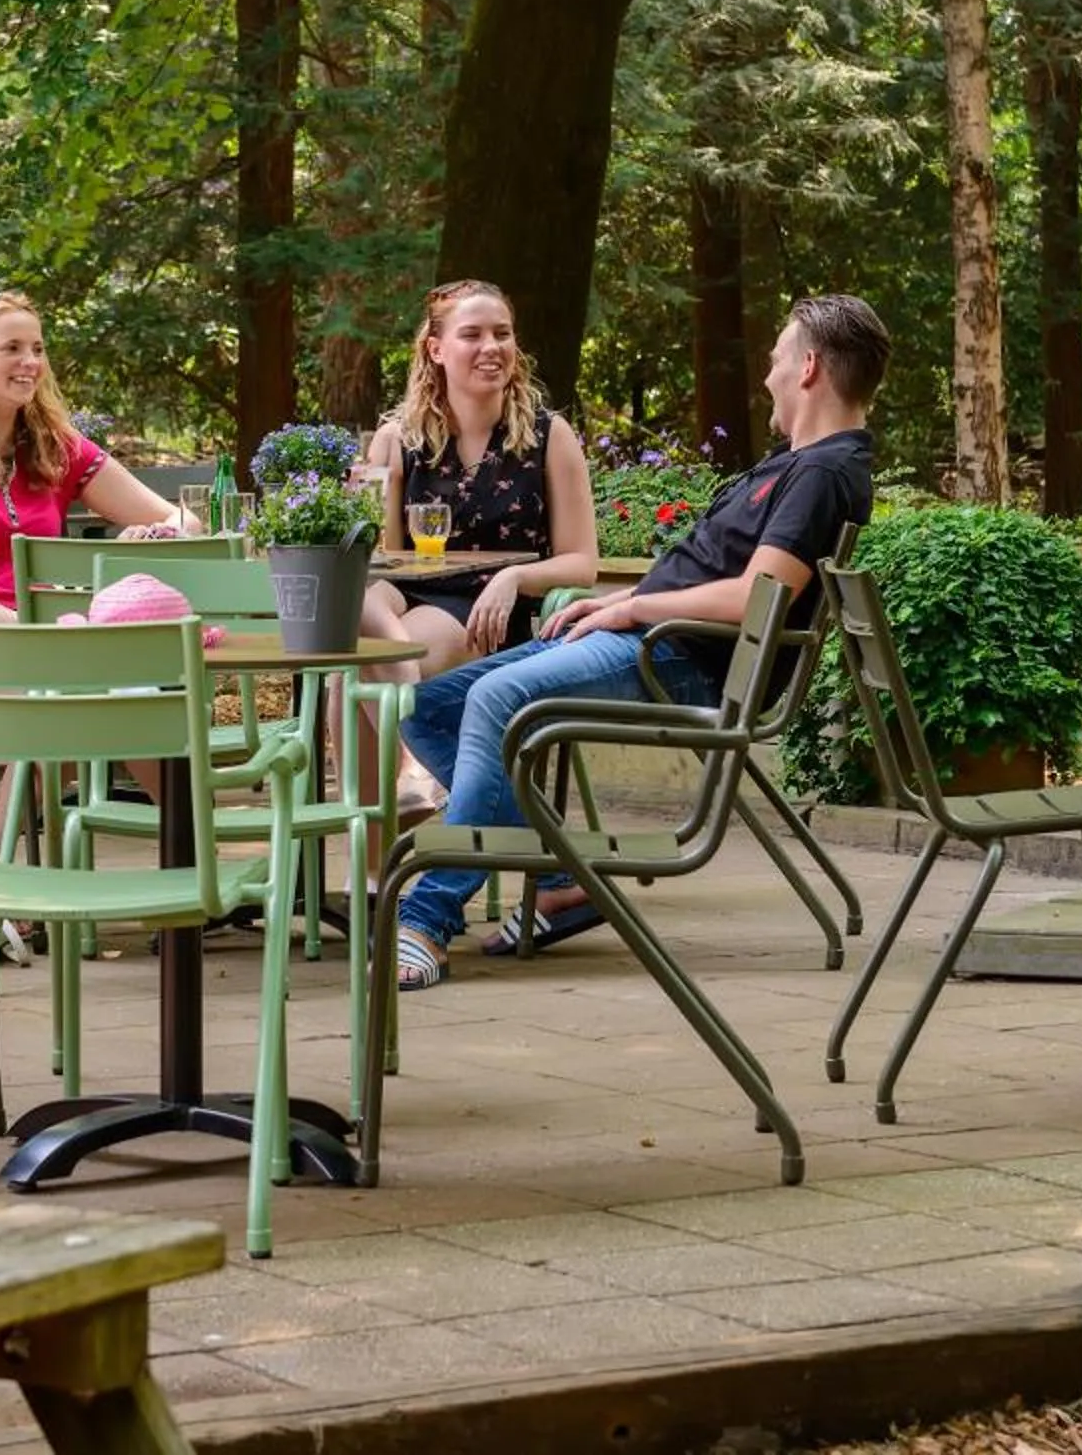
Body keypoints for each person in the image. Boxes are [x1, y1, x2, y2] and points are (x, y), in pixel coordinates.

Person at [390, 294, 889, 991]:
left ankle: (428, 915)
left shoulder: (824, 473)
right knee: (422, 707)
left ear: (808, 369)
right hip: (657, 636)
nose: (767, 375)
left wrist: (636, 611)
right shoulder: (796, 464)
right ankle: (566, 877)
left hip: (683, 658)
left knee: (499, 697)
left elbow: (754, 597)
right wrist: (622, 600)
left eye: (776, 360)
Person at [353, 280, 598, 815]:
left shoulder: (547, 436)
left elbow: (583, 559)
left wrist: (515, 578)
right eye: (473, 335)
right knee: (361, 611)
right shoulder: (397, 438)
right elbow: (387, 561)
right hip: (407, 593)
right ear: (436, 350)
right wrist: (370, 497)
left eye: (502, 334)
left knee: (353, 671)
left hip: (488, 609)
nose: (492, 347)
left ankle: (375, 856)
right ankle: (412, 769)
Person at [0, 288, 191, 622]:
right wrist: (36, 634)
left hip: (42, 633)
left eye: (37, 349)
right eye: (11, 348)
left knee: (163, 652)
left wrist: (153, 535)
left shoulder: (54, 447)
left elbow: (184, 520)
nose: (31, 362)